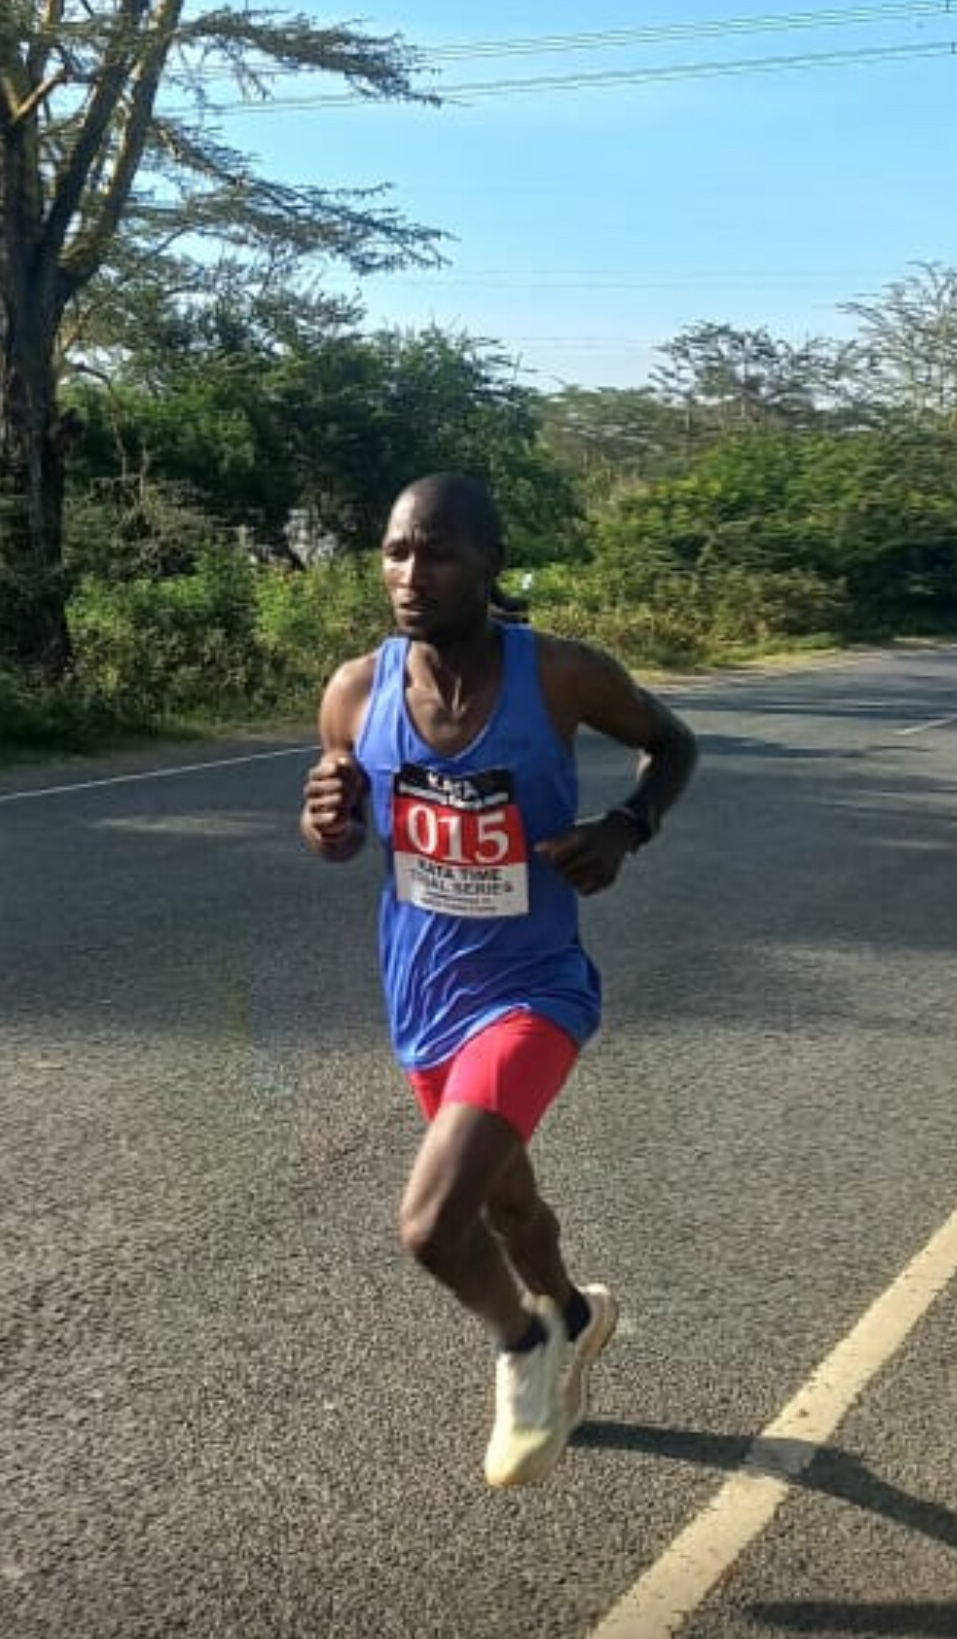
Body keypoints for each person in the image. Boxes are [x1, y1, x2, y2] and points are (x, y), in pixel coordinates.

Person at [299, 473, 698, 1489]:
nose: (411, 573)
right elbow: (341, 838)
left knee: (435, 1227)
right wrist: (325, 821)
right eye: (396, 552)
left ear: (490, 563)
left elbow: (673, 744)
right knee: (510, 1210)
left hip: (534, 991)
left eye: (437, 551)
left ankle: (525, 1345)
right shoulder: (355, 692)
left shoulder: (562, 674)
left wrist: (626, 826)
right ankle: (573, 1313)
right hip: (423, 996)